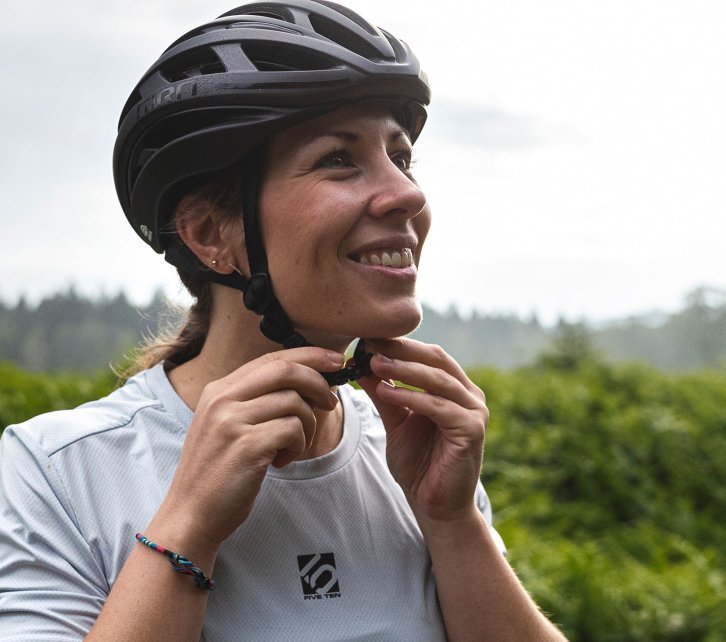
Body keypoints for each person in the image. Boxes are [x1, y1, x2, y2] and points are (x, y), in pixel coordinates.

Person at [0, 2, 565, 640]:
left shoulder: (410, 446)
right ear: (211, 232)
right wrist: (189, 522)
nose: (408, 194)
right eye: (339, 160)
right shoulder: (60, 469)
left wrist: (454, 522)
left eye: (401, 159)